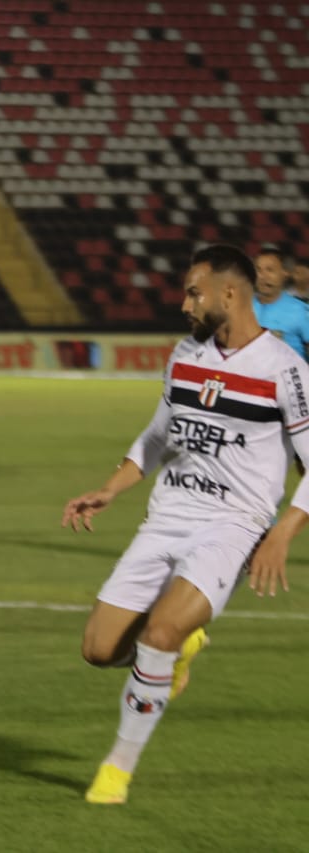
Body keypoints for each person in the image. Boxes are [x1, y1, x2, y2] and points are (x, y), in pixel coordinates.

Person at [62, 244, 309, 805]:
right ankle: (176, 653)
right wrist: (111, 487)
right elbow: (156, 436)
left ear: (230, 293)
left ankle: (116, 770)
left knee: (160, 633)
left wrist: (282, 531)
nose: (184, 303)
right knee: (99, 650)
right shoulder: (185, 354)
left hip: (234, 524)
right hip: (168, 516)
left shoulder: (285, 370)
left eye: (193, 291)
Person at [252, 248, 309, 359]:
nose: (262, 276)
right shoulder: (240, 306)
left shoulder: (301, 311)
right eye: (258, 270)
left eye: (270, 270)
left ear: (285, 273)